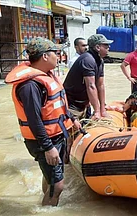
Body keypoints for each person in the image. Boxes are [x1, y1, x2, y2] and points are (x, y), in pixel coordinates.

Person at [5, 38, 81, 206]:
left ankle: (45, 203)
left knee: (51, 179)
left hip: (56, 135)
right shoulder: (30, 85)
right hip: (44, 141)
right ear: (45, 56)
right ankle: (46, 209)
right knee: (58, 185)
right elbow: (34, 120)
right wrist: (48, 147)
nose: (59, 56)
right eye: (56, 52)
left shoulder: (47, 76)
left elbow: (56, 106)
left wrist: (72, 118)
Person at [64, 34, 112, 121]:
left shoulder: (100, 61)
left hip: (84, 104)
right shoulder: (87, 60)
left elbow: (100, 85)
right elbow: (91, 86)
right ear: (97, 47)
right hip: (72, 105)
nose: (109, 47)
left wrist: (102, 110)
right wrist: (97, 112)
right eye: (106, 46)